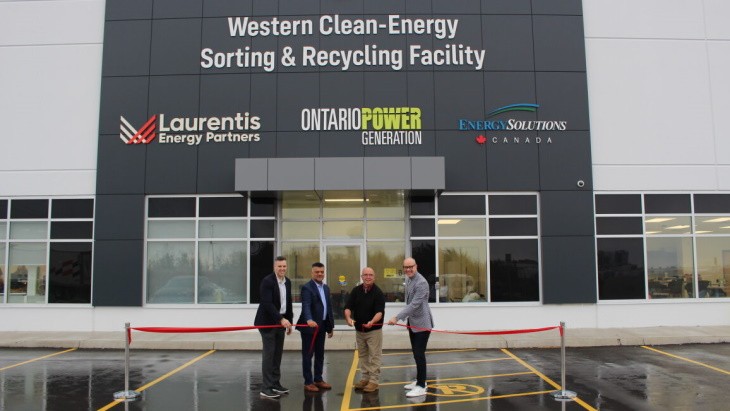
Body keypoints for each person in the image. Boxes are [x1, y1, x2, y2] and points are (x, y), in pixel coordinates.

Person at [388, 257, 433, 398]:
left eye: (410, 267)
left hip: (422, 324)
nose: (408, 269)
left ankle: (421, 386)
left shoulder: (421, 283)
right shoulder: (409, 280)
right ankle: (419, 380)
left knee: (419, 354)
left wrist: (397, 317)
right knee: (416, 353)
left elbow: (414, 305)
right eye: (406, 267)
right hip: (412, 323)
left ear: (416, 266)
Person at [254, 256, 293, 399]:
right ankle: (266, 388)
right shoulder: (268, 281)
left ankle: (275, 384)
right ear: (274, 267)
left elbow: (288, 303)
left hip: (281, 322)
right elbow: (267, 303)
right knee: (269, 355)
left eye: (284, 266)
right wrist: (281, 319)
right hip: (268, 323)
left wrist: (289, 322)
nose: (282, 269)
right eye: (279, 266)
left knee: (277, 355)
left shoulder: (287, 282)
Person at [344, 267, 386, 393]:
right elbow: (348, 307)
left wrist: (372, 322)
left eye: (370, 275)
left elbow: (379, 312)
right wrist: (348, 318)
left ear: (374, 277)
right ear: (362, 277)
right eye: (365, 275)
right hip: (359, 331)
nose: (368, 277)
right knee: (362, 355)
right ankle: (365, 378)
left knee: (374, 356)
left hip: (374, 331)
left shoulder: (378, 293)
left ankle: (374, 381)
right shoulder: (356, 291)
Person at [296, 262, 335, 392]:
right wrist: (309, 319)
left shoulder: (326, 288)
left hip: (321, 327)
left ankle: (318, 379)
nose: (320, 274)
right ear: (312, 273)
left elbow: (328, 308)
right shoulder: (307, 288)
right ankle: (308, 382)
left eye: (322, 272)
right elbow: (306, 305)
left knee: (320, 354)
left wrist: (330, 327)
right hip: (309, 327)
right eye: (317, 272)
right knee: (308, 355)